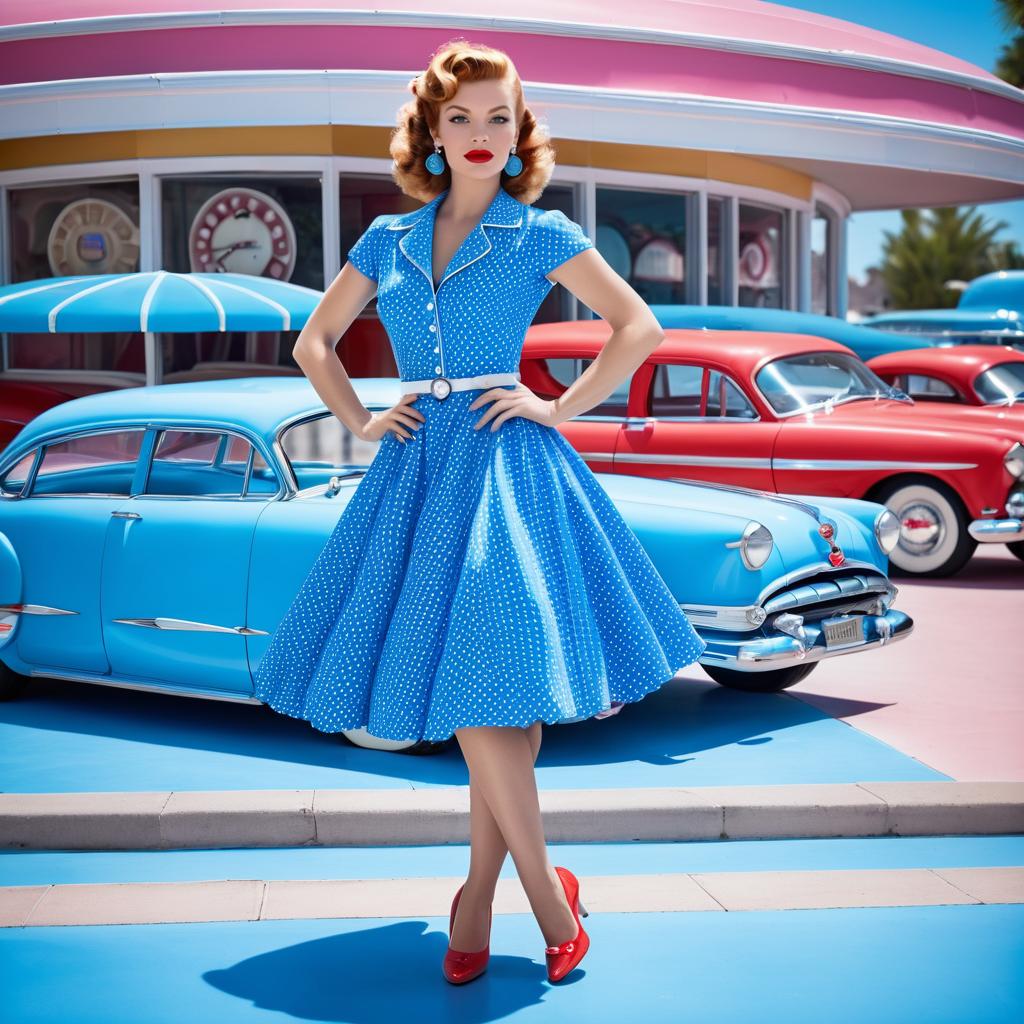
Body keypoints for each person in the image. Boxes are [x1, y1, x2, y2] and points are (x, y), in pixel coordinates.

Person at [253, 39, 707, 985]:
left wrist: (557, 405)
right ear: (429, 132)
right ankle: (530, 900)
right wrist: (364, 422)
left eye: (498, 118)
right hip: (419, 467)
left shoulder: (540, 233)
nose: (479, 135)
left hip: (510, 463)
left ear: (519, 132)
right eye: (459, 119)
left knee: (493, 688)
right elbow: (315, 343)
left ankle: (491, 903)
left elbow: (640, 329)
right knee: (492, 703)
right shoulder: (385, 241)